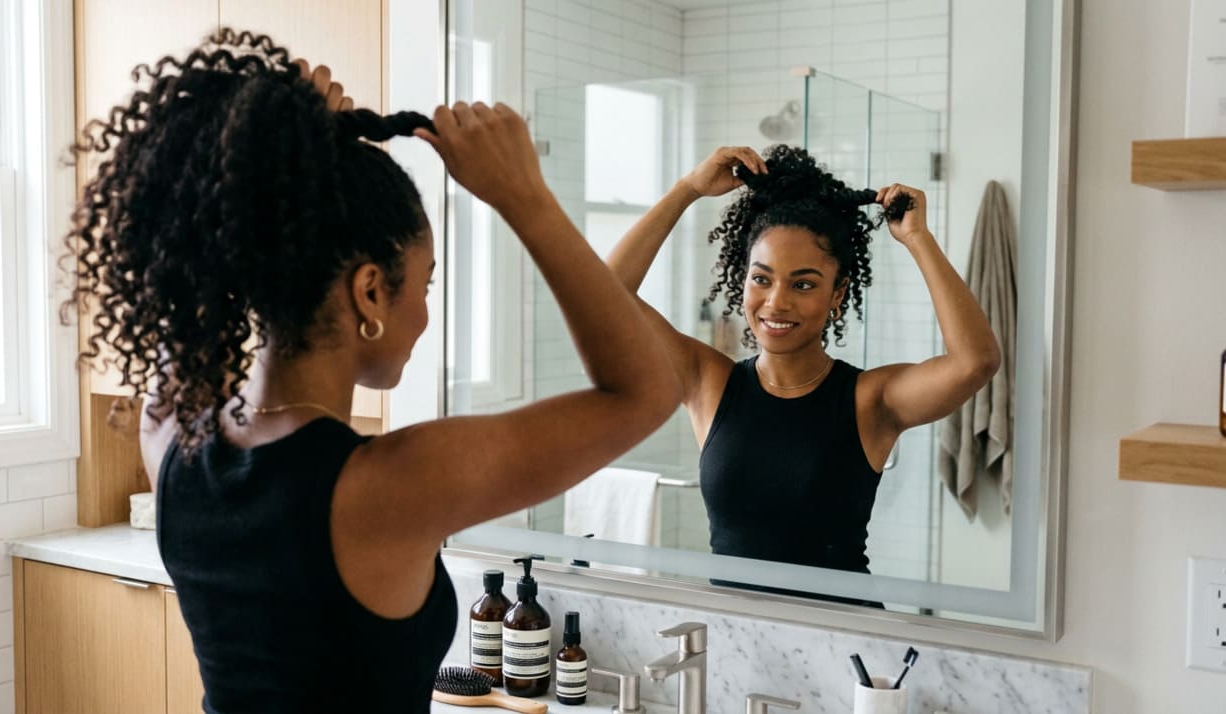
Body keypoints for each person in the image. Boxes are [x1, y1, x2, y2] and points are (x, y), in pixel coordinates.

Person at [63, 29, 679, 713]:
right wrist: (523, 195)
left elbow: (191, 275)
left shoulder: (172, 438)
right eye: (426, 282)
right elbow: (645, 392)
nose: (426, 312)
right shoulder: (390, 486)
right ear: (370, 292)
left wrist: (266, 169)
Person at [606, 145, 1000, 604]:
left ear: (838, 293)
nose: (776, 302)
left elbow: (975, 361)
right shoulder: (708, 382)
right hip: (736, 635)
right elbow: (605, 292)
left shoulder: (869, 400)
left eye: (804, 284)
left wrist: (917, 238)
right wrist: (687, 188)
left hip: (842, 635)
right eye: (762, 278)